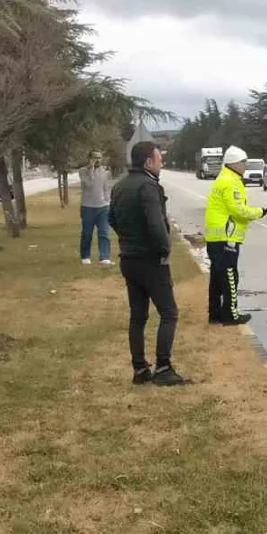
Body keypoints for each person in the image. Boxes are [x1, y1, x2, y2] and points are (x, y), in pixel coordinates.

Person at [108, 142, 188, 386]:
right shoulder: (148, 187)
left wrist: (128, 240)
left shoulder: (119, 186)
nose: (161, 163)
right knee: (169, 313)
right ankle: (163, 367)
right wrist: (164, 249)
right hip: (151, 261)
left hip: (129, 258)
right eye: (159, 159)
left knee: (138, 316)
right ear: (148, 162)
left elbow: (111, 218)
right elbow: (156, 224)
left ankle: (140, 368)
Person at [204, 146, 267, 326]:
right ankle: (230, 314)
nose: (245, 166)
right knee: (230, 277)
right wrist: (259, 212)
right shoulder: (231, 181)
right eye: (244, 162)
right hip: (227, 238)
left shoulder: (223, 178)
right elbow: (238, 210)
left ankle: (215, 313)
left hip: (216, 238)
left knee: (217, 279)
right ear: (234, 163)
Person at [79, 150, 114, 266]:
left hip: (103, 207)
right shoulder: (83, 171)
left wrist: (107, 201)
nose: (97, 160)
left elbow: (105, 188)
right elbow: (88, 184)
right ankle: (85, 256)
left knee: (104, 233)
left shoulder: (105, 172)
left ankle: (104, 257)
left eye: (99, 158)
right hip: (88, 207)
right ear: (89, 158)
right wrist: (91, 170)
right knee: (87, 233)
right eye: (95, 158)